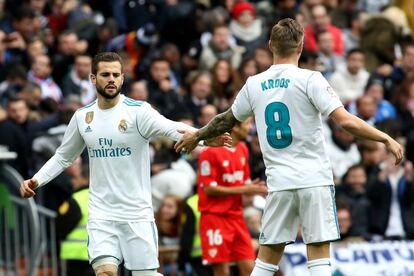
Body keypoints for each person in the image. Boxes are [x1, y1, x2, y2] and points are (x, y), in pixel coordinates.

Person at [174, 18, 404, 276]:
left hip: (279, 181)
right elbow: (345, 121)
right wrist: (385, 138)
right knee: (317, 250)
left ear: (270, 45)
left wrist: (197, 136)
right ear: (301, 46)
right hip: (313, 178)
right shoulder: (310, 79)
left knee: (267, 256)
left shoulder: (254, 84)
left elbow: (225, 120)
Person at [19, 52, 231, 276]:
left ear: (122, 79)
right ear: (93, 78)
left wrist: (203, 136)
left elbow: (171, 127)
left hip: (136, 214)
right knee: (105, 273)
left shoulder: (137, 112)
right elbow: (64, 156)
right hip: (101, 214)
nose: (111, 79)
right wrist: (37, 179)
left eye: (116, 74)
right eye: (105, 74)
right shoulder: (82, 117)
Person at [196, 117, 267, 276]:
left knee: (250, 268)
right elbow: (209, 189)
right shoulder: (210, 152)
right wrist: (245, 188)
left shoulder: (243, 148)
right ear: (235, 128)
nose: (251, 128)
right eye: (248, 124)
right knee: (222, 270)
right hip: (215, 217)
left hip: (236, 217)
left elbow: (245, 184)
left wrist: (256, 189)